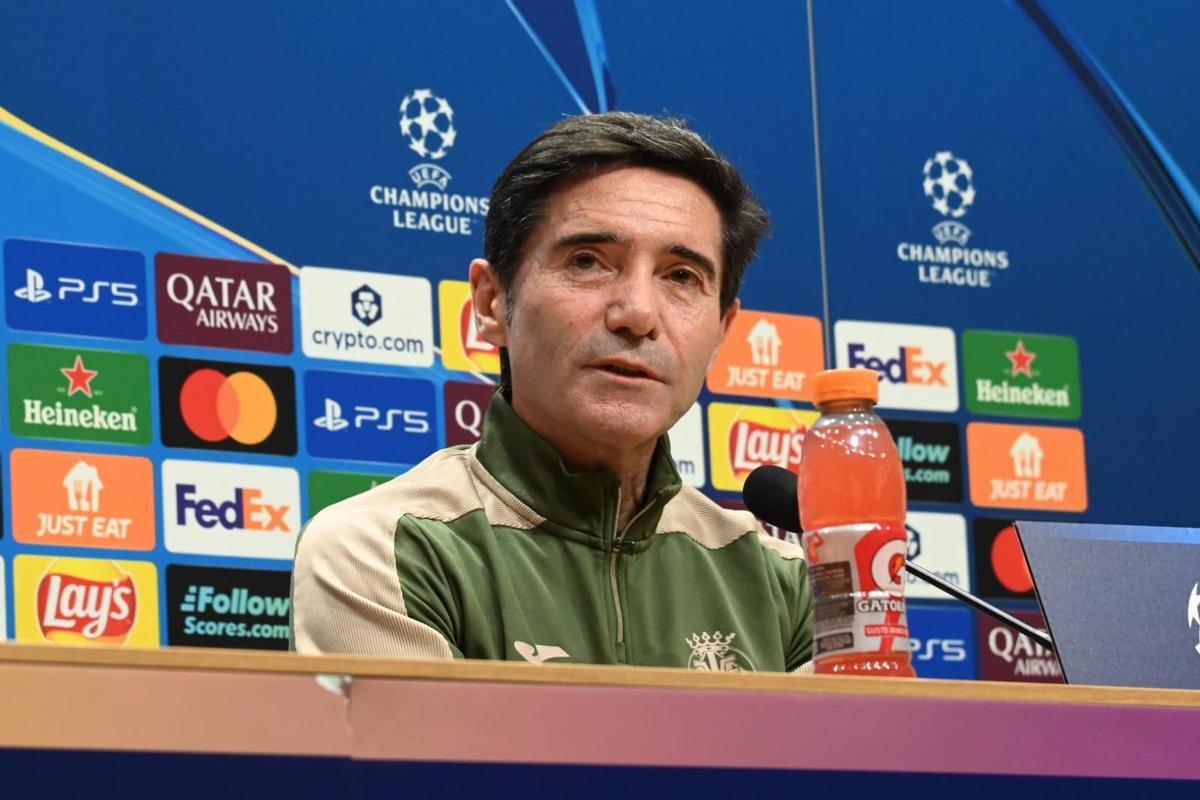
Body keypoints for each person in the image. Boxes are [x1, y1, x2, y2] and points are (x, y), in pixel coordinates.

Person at [291, 112, 813, 672]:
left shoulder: (783, 582)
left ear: (721, 334)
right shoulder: (385, 550)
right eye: (587, 261)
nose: (638, 314)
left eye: (681, 276)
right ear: (492, 303)